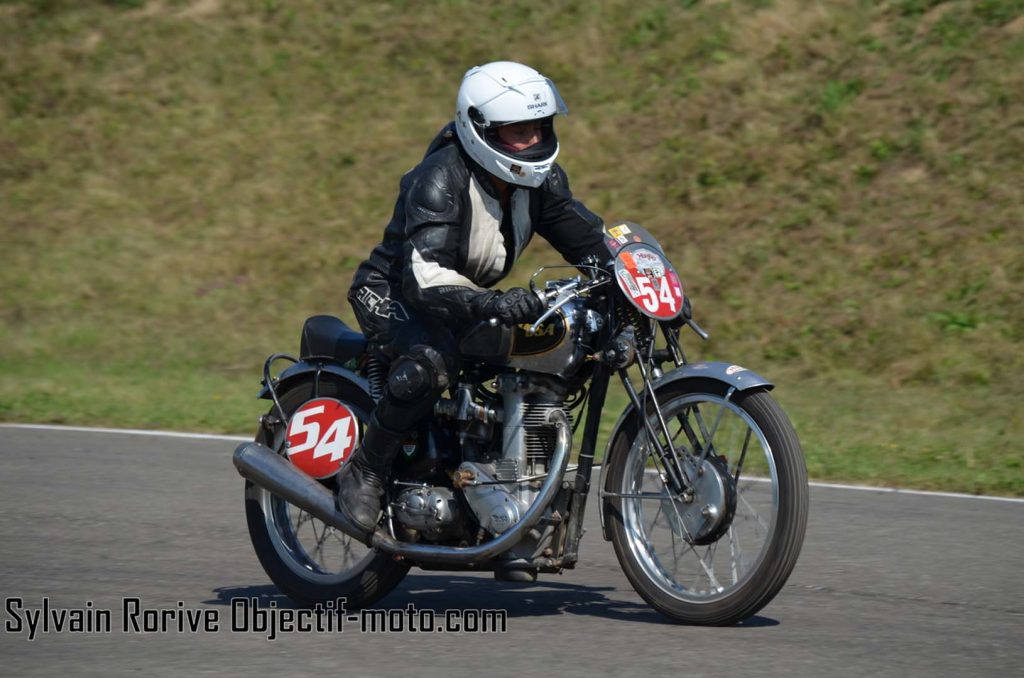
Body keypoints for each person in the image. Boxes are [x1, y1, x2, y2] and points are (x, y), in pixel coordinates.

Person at [338, 60, 609, 540]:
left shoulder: (539, 182)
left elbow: (589, 238)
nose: (530, 141)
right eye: (515, 131)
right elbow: (426, 276)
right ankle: (366, 470)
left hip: (465, 298)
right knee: (429, 365)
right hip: (396, 291)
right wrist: (494, 304)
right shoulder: (439, 179)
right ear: (479, 128)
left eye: (538, 128)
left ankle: (504, 476)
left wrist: (638, 275)